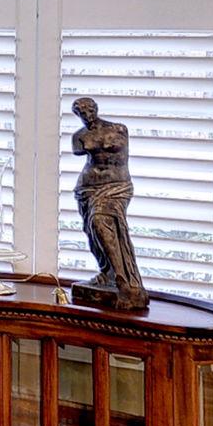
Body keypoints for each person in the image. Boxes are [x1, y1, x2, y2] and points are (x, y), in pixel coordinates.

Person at [69, 97, 147, 311]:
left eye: (89, 108)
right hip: (88, 187)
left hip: (117, 186)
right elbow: (82, 152)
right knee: (92, 231)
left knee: (100, 221)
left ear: (96, 108)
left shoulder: (119, 129)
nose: (87, 113)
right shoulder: (79, 137)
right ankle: (108, 273)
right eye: (81, 111)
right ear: (77, 114)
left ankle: (126, 282)